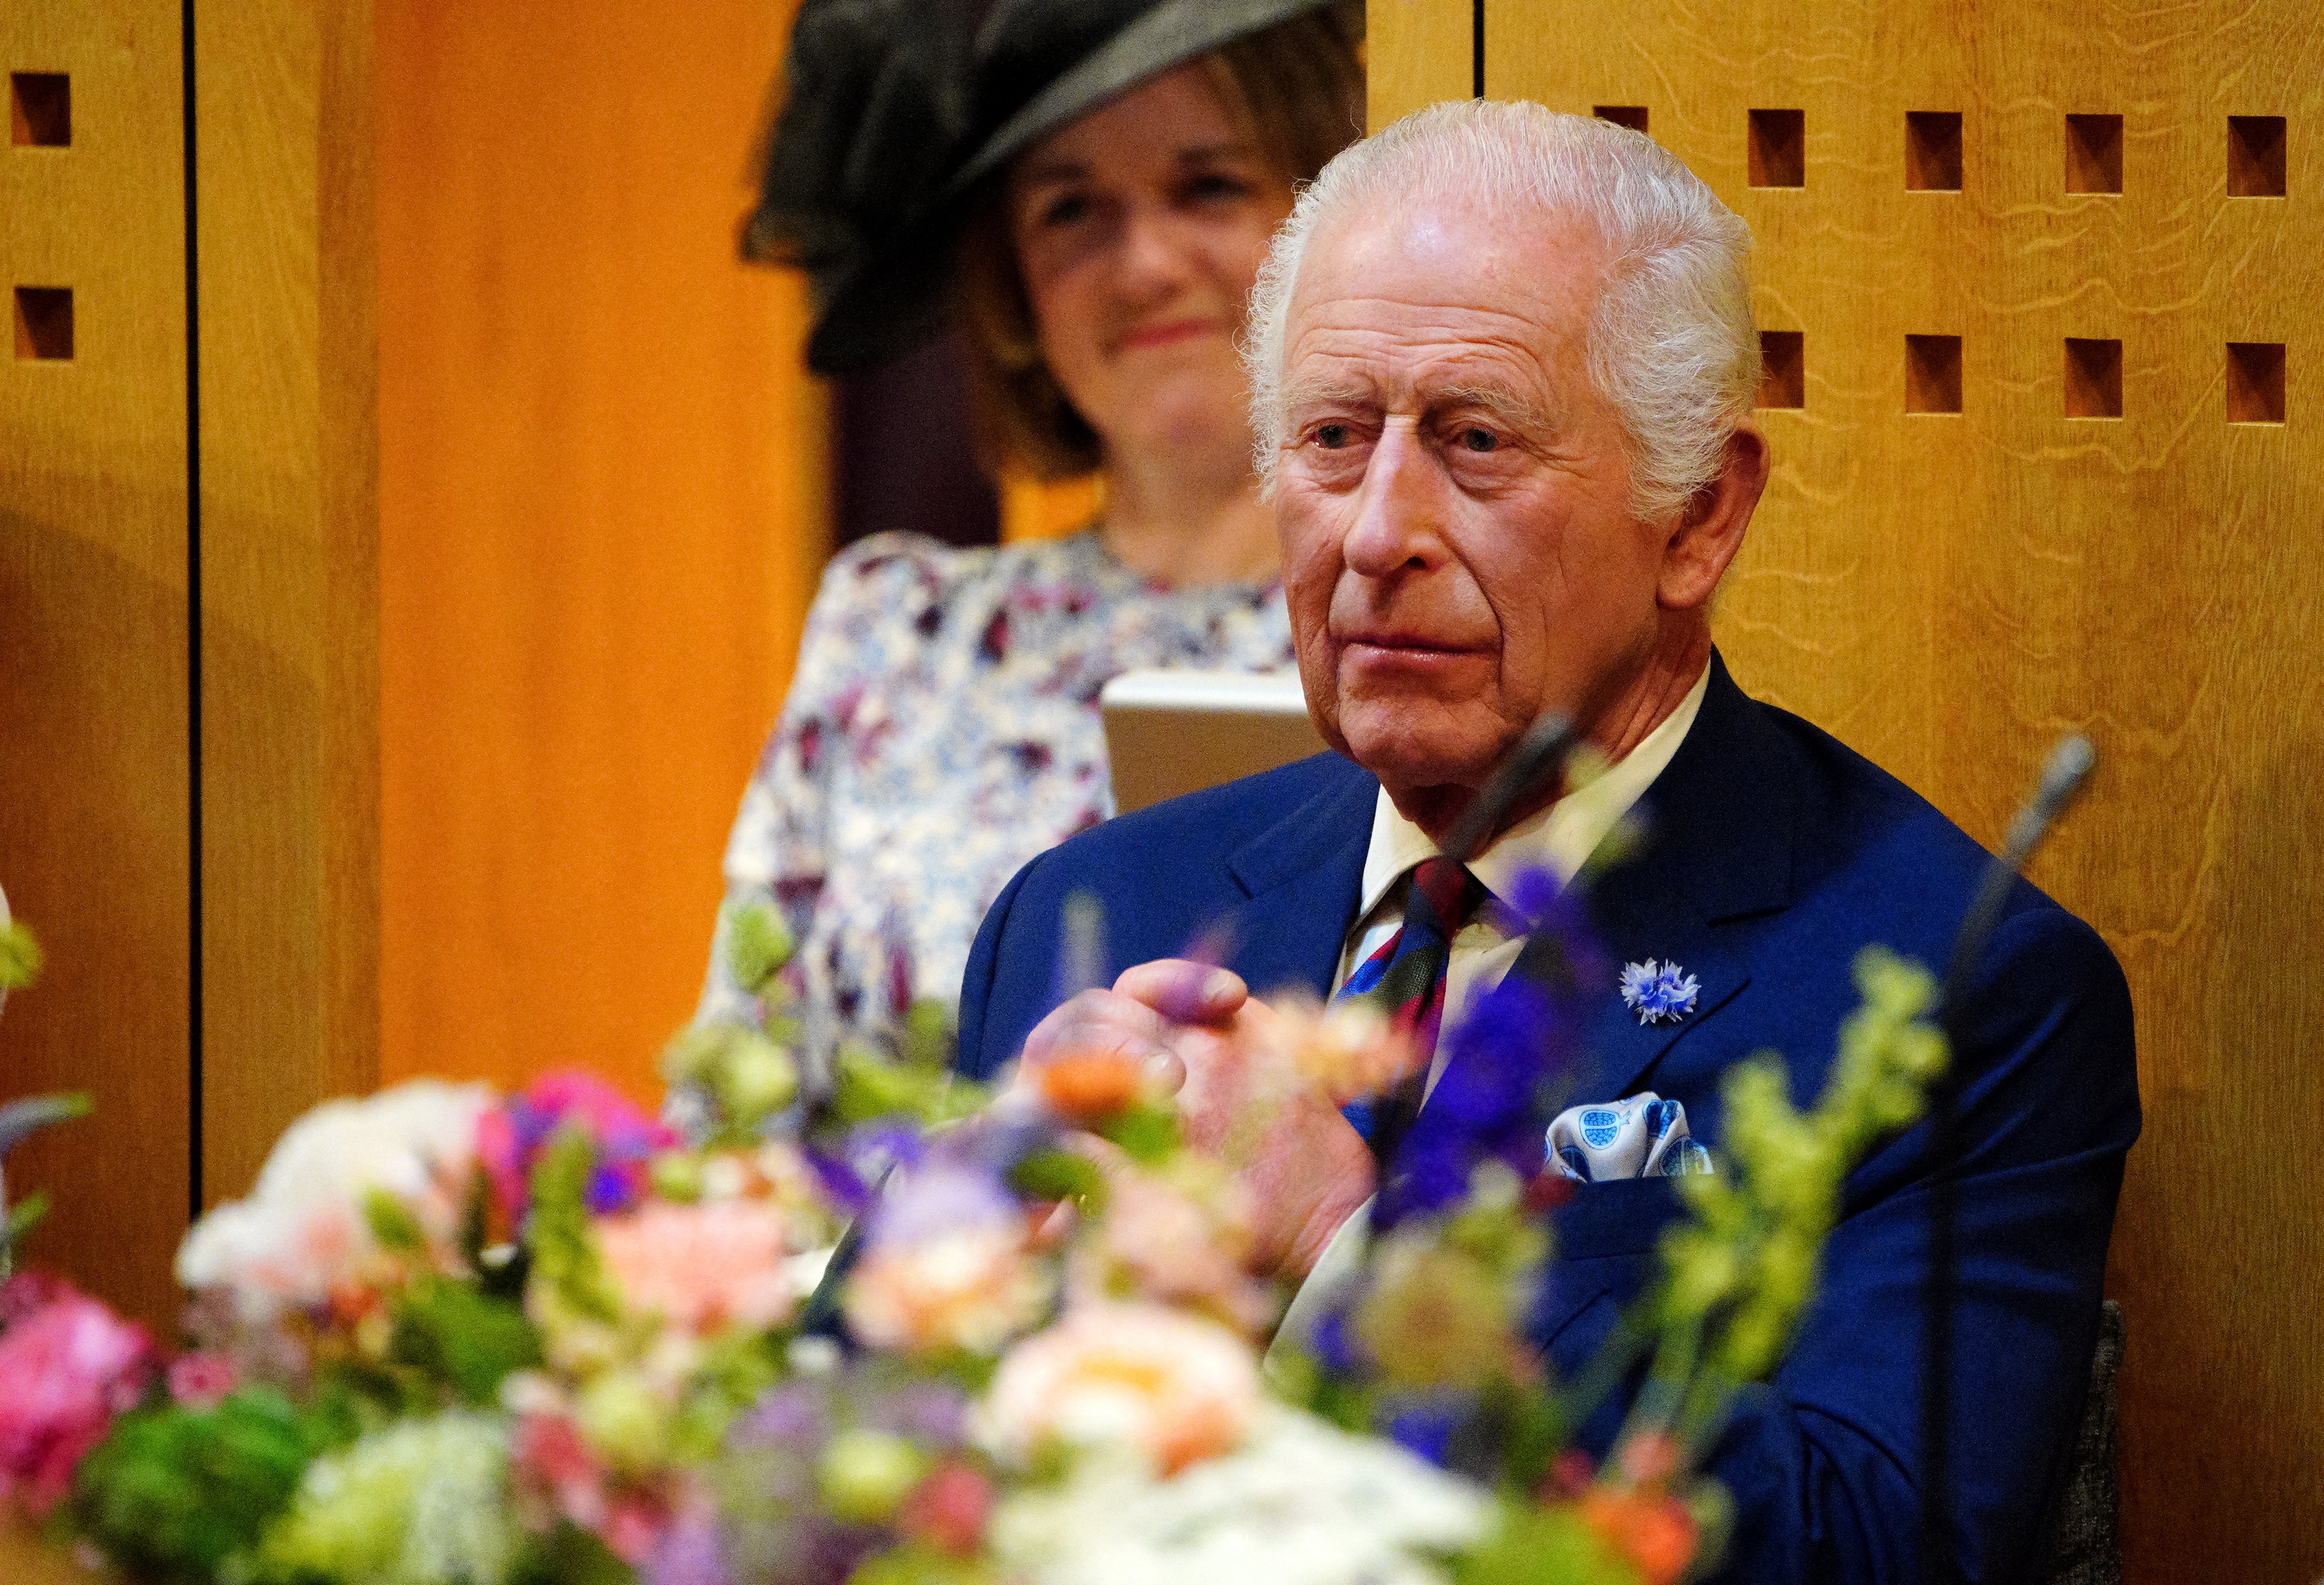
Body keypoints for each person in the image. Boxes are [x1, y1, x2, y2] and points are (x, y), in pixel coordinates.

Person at [956, 102, 2141, 1582]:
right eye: (1333, 438)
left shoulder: (1952, 987)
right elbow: (854, 1469)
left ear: (1698, 516)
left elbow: (1877, 1540)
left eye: (1474, 441)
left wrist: (1351, 1258)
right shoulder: (1096, 907)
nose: (1380, 530)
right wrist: (947, 1247)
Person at [697, 0, 1364, 1060]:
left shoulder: (1409, 624)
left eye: (1209, 186)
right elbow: (736, 1095)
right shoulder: (894, 628)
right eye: (1071, 210)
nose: (1142, 264)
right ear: (1011, 279)